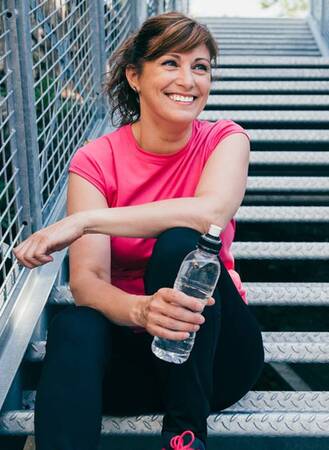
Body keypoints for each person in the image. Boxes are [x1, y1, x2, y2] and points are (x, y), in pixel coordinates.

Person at [12, 12, 265, 450]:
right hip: (133, 360)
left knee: (183, 245)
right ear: (134, 75)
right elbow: (88, 282)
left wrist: (85, 221)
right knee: (74, 324)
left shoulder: (226, 139)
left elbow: (210, 212)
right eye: (170, 62)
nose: (187, 79)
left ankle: (184, 437)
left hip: (215, 357)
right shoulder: (96, 160)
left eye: (200, 67)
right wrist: (142, 311)